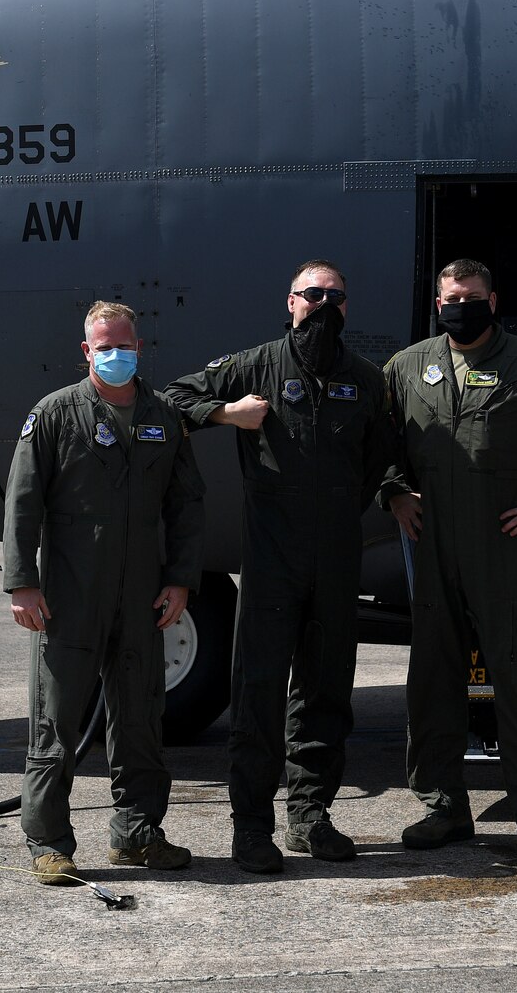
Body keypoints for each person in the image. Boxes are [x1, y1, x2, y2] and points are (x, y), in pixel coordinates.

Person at [163, 260, 398, 874]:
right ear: (289, 301)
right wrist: (227, 414)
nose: (322, 304)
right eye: (311, 294)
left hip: (337, 555)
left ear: (345, 307)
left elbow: (381, 452)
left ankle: (312, 816)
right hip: (271, 557)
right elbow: (175, 398)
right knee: (259, 693)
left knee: (325, 691)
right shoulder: (256, 364)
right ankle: (252, 828)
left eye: (333, 296)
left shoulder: (365, 379)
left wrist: (358, 498)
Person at [380, 258, 517, 861]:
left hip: (506, 546)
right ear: (437, 303)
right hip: (432, 546)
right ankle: (443, 807)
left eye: (473, 297)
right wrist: (393, 490)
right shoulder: (407, 367)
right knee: (432, 681)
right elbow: (374, 440)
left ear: (493, 300)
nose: (462, 306)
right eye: (452, 298)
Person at [1, 300, 206, 884]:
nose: (115, 353)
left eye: (124, 343)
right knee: (57, 723)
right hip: (71, 596)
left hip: (142, 595)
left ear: (139, 348)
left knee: (140, 719)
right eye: (103, 345)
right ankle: (48, 843)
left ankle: (137, 835)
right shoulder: (56, 413)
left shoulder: (164, 416)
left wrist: (181, 579)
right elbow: (22, 501)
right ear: (87, 351)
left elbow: (187, 503)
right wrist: (23, 583)